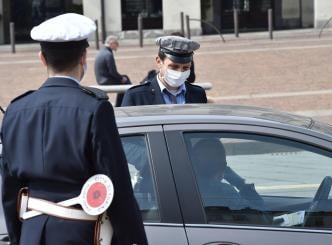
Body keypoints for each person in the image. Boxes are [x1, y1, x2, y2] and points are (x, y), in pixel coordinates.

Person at [0, 13, 147, 245]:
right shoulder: (94, 109)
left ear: (42, 58)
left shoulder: (16, 111)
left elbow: (10, 193)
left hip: (31, 232)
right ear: (83, 57)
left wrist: (21, 237)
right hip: (80, 233)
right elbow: (117, 185)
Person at [121, 35, 207, 106]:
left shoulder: (198, 94)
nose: (180, 73)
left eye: (185, 68)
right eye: (173, 67)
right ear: (159, 62)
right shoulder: (136, 96)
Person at [191, 138, 264, 210]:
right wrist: (240, 184)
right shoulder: (225, 192)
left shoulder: (186, 187)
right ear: (223, 166)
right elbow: (261, 214)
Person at [94, 35, 131, 107]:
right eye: (116, 44)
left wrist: (121, 77)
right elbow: (112, 72)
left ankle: (119, 104)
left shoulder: (102, 51)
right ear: (111, 43)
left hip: (101, 79)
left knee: (125, 78)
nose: (117, 46)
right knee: (125, 81)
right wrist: (121, 78)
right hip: (105, 80)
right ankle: (122, 105)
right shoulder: (108, 54)